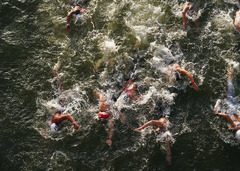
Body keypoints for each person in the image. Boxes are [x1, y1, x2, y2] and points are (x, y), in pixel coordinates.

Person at [50, 62, 80, 132]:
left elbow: (67, 116)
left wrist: (74, 123)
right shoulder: (52, 122)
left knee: (59, 85)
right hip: (56, 103)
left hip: (60, 101)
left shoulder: (57, 119)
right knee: (58, 86)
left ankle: (57, 67)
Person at [213, 67, 240, 141]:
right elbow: (227, 116)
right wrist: (217, 114)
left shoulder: (237, 127)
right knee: (229, 90)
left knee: (232, 91)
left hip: (236, 108)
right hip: (231, 108)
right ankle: (229, 74)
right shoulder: (234, 126)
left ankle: (231, 75)